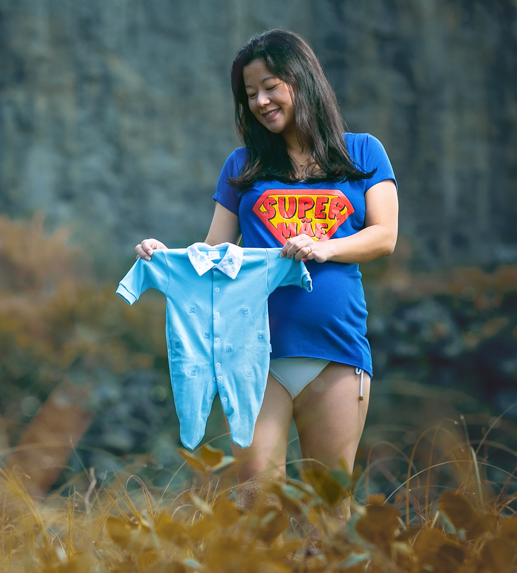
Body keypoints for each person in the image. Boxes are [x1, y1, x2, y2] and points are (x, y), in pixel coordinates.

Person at [135, 29, 398, 505]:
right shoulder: (243, 165)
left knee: (329, 507)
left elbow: (384, 236)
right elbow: (213, 253)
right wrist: (166, 256)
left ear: (302, 79)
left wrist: (323, 247)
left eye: (270, 86)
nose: (260, 101)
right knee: (258, 501)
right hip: (253, 356)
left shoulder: (362, 152)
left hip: (336, 350)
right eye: (250, 93)